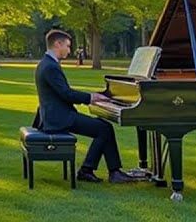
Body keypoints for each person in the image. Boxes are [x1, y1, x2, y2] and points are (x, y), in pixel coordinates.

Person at [34, 29, 143, 184]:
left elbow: (63, 92)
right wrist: (91, 98)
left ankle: (103, 171)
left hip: (55, 115)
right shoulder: (50, 66)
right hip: (58, 118)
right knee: (104, 128)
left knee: (104, 127)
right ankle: (94, 171)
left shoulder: (46, 63)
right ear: (58, 44)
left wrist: (92, 96)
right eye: (67, 46)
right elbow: (66, 94)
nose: (69, 50)